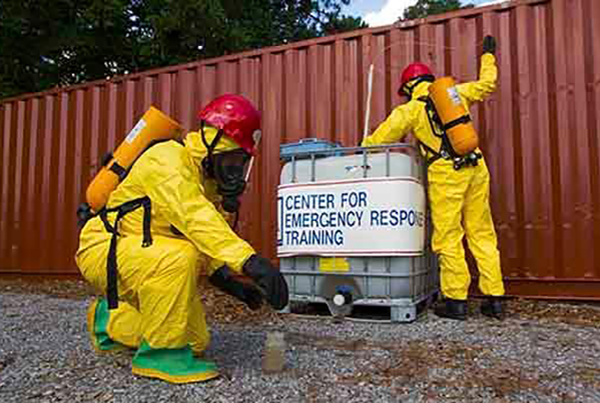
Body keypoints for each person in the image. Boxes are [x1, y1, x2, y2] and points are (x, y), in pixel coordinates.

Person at [75, 94, 289, 383]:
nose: (236, 171)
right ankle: (159, 357)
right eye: (232, 160)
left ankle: (108, 321)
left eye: (241, 162)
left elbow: (205, 237)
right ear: (212, 144)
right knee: (180, 255)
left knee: (193, 341)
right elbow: (194, 217)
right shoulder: (167, 159)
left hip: (144, 253)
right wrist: (249, 262)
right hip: (104, 248)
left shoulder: (204, 182)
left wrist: (232, 284)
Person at [361, 36, 505, 321]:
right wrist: (488, 55)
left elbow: (379, 140)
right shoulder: (455, 93)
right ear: (430, 79)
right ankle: (495, 299)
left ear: (407, 87)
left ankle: (456, 301)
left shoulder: (409, 110)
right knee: (482, 234)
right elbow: (488, 84)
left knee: (449, 237)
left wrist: (361, 148)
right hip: (476, 166)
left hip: (445, 173)